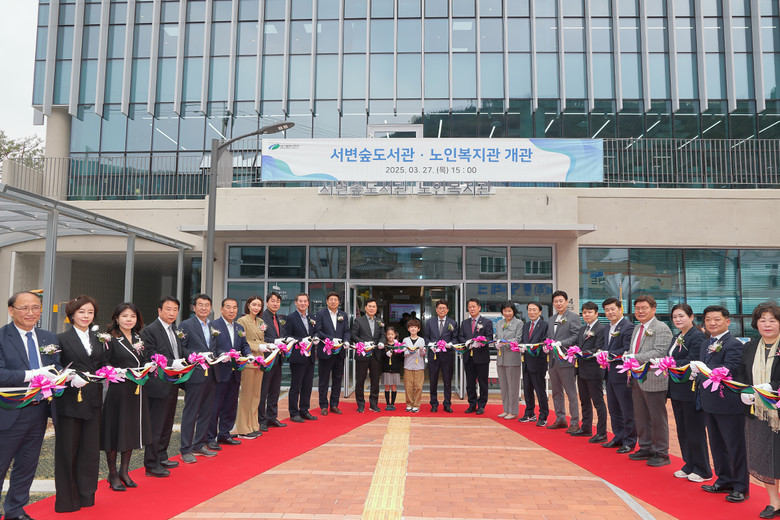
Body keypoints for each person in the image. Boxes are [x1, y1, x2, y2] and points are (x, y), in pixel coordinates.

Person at [0, 292, 61, 520]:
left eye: (36, 307)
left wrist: (65, 376)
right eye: (24, 308)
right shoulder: (2, 337)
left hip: (38, 411)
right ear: (11, 310)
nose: (31, 312)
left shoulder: (48, 337)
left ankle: (15, 511)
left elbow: (55, 366)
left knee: (27, 465)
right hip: (9, 411)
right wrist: (32, 374)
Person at [54, 295, 108, 512]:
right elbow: (55, 367)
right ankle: (67, 500)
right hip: (70, 400)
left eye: (90, 312)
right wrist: (69, 376)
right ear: (72, 314)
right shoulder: (60, 339)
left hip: (93, 399)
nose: (86, 316)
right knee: (68, 450)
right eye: (81, 312)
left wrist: (110, 372)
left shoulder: (99, 339)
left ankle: (87, 495)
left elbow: (104, 363)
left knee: (90, 450)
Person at [698, 305, 749, 503]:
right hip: (709, 402)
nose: (712, 323)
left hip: (728, 404)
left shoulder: (733, 344)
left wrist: (706, 370)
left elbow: (731, 368)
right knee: (717, 444)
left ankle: (741, 487)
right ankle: (724, 479)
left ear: (727, 321)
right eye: (708, 319)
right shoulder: (706, 343)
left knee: (735, 445)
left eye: (717, 319)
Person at [101, 302, 151, 491]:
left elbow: (144, 359)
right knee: (115, 431)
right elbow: (103, 362)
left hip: (136, 390)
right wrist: (116, 371)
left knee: (129, 430)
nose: (129, 319)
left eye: (132, 316)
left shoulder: (139, 338)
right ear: (116, 318)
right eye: (125, 316)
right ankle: (112, 473)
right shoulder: (109, 338)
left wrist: (150, 366)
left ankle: (124, 471)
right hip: (119, 390)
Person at [738, 302, 780, 519]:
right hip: (759, 413)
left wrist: (771, 387)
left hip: (778, 413)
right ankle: (774, 503)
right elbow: (742, 374)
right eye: (763, 320)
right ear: (756, 323)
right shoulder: (750, 347)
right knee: (765, 458)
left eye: (772, 320)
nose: (767, 324)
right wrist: (745, 391)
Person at [141, 296, 187, 478]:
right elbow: (150, 354)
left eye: (175, 309)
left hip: (172, 382)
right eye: (168, 309)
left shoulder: (173, 329)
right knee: (156, 425)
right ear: (159, 310)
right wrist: (172, 362)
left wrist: (193, 356)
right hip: (158, 383)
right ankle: (151, 463)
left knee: (167, 422)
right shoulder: (150, 330)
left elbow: (179, 351)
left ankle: (162, 456)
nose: (172, 313)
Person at [626, 295, 674, 468]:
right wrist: (628, 357)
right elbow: (634, 349)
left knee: (657, 418)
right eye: (637, 308)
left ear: (653, 309)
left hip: (654, 379)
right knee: (641, 416)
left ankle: (661, 452)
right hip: (637, 378)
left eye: (644, 308)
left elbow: (660, 352)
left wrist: (634, 357)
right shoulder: (636, 328)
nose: (640, 311)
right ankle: (645, 447)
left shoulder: (661, 328)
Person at [668, 303, 711, 482]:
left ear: (691, 317)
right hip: (677, 389)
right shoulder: (677, 336)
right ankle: (689, 464)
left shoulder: (697, 336)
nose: (678, 319)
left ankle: (703, 469)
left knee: (695, 430)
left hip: (691, 390)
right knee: (683, 429)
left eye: (681, 316)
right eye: (675, 317)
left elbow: (694, 360)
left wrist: (671, 364)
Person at [177, 294, 219, 463]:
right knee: (191, 412)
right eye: (200, 305)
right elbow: (180, 348)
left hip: (212, 374)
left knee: (206, 411)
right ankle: (186, 449)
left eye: (207, 305)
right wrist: (196, 355)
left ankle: (199, 444)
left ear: (210, 308)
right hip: (195, 374)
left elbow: (215, 347)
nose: (204, 308)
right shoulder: (186, 325)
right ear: (194, 307)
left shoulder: (213, 326)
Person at [207, 298, 252, 449]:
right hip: (220, 372)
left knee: (230, 405)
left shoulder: (239, 327)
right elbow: (212, 347)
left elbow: (244, 345)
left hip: (235, 372)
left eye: (234, 307)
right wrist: (222, 354)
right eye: (228, 307)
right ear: (221, 309)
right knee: (215, 406)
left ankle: (225, 434)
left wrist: (248, 354)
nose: (231, 310)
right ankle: (210, 437)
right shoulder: (214, 326)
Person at [601, 297, 636, 454]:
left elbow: (627, 349)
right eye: (607, 310)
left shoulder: (628, 327)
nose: (610, 312)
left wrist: (609, 354)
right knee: (614, 409)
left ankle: (629, 441)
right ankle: (618, 437)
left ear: (620, 309)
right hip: (609, 374)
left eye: (612, 309)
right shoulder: (607, 328)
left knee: (627, 409)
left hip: (622, 374)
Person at [546, 290, 582, 432]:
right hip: (553, 361)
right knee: (556, 392)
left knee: (571, 393)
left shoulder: (573, 317)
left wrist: (561, 343)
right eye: (556, 301)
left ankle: (574, 422)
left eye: (561, 301)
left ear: (566, 302)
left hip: (566, 360)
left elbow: (576, 336)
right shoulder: (551, 319)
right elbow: (550, 337)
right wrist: (547, 345)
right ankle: (560, 419)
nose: (558, 304)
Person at [572, 301, 607, 443]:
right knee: (584, 400)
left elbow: (598, 348)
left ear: (596, 314)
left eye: (589, 312)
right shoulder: (582, 329)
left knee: (598, 402)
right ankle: (586, 427)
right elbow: (578, 345)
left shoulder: (601, 329)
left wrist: (582, 352)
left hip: (594, 371)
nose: (586, 315)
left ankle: (602, 432)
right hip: (581, 370)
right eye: (584, 312)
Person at [315, 291, 350, 415]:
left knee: (337, 380)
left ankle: (334, 404)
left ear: (339, 302)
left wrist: (346, 340)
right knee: (324, 380)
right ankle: (323, 405)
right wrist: (330, 339)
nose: (333, 302)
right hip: (326, 352)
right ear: (327, 301)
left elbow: (347, 330)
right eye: (331, 300)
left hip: (339, 352)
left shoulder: (343, 315)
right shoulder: (320, 314)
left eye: (335, 300)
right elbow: (318, 331)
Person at [235, 295, 267, 433]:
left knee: (256, 395)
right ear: (248, 305)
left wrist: (268, 346)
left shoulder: (260, 321)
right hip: (249, 361)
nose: (256, 307)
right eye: (254, 304)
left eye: (259, 305)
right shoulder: (242, 321)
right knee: (246, 395)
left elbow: (261, 339)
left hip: (260, 361)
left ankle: (254, 424)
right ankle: (243, 427)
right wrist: (258, 346)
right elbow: (242, 342)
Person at [285, 293, 318, 422]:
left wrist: (316, 337)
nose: (303, 303)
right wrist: (301, 340)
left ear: (308, 303)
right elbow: (287, 336)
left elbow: (315, 332)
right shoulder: (290, 318)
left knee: (307, 385)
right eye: (300, 301)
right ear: (296, 303)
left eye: (305, 301)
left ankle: (304, 410)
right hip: (297, 357)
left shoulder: (311, 317)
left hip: (310, 357)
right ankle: (293, 413)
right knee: (296, 386)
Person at [458, 298, 494, 415]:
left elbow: (489, 337)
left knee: (483, 383)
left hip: (481, 357)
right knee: (470, 383)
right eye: (469, 307)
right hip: (468, 357)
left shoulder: (487, 322)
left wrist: (480, 342)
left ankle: (482, 405)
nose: (472, 309)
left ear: (479, 308)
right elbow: (460, 336)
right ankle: (472, 404)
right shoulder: (464, 323)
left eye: (474, 306)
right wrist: (467, 342)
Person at [350, 298, 386, 413]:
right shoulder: (358, 320)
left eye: (374, 306)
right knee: (360, 379)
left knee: (375, 380)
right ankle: (360, 404)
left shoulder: (379, 321)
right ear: (365, 308)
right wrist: (363, 343)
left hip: (375, 354)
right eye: (369, 306)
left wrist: (382, 342)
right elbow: (353, 335)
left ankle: (373, 404)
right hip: (363, 353)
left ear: (376, 308)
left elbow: (383, 335)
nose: (372, 308)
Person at [423, 299, 459, 413]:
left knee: (447, 381)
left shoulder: (453, 323)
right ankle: (434, 404)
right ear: (436, 310)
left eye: (444, 308)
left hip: (447, 355)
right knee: (433, 380)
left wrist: (450, 344)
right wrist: (430, 344)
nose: (442, 310)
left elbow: (455, 338)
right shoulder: (430, 322)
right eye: (439, 308)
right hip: (433, 355)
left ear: (447, 310)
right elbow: (426, 337)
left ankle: (447, 404)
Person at [258, 292, 287, 430]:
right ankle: (261, 420)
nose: (275, 304)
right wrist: (274, 341)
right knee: (263, 391)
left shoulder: (279, 318)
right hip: (266, 359)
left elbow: (282, 335)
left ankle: (272, 417)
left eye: (278, 301)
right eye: (273, 301)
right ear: (267, 302)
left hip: (278, 359)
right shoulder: (261, 318)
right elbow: (260, 338)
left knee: (275, 390)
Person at [519, 301, 549, 426]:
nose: (531, 312)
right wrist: (520, 346)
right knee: (527, 390)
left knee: (540, 390)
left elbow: (545, 342)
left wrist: (534, 347)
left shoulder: (545, 325)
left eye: (534, 310)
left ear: (540, 312)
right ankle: (529, 413)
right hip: (526, 362)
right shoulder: (526, 325)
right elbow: (523, 340)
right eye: (529, 310)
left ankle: (543, 416)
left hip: (538, 362)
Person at [495, 301, 523, 420]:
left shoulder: (519, 323)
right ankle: (506, 409)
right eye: (505, 311)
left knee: (513, 387)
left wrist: (505, 343)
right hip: (501, 358)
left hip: (512, 358)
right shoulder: (499, 323)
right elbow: (496, 337)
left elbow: (518, 339)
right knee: (504, 386)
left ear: (513, 311)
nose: (507, 313)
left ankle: (513, 411)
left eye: (509, 311)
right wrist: (496, 343)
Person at [402, 318, 426, 412]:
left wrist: (421, 350)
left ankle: (416, 404)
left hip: (419, 366)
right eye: (411, 327)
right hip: (408, 366)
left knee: (418, 386)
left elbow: (423, 354)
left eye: (415, 327)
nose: (413, 329)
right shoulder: (405, 339)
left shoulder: (421, 340)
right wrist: (409, 351)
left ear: (418, 329)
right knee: (408, 386)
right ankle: (409, 404)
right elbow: (404, 353)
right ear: (408, 329)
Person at [382, 327, 403, 410]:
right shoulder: (383, 345)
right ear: (386, 335)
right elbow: (380, 357)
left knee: (394, 387)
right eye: (388, 334)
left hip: (395, 368)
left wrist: (400, 352)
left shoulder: (398, 345)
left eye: (392, 334)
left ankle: (393, 404)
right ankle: (388, 404)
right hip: (386, 368)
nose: (390, 336)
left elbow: (401, 358)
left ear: (395, 335)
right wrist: (385, 354)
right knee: (387, 386)